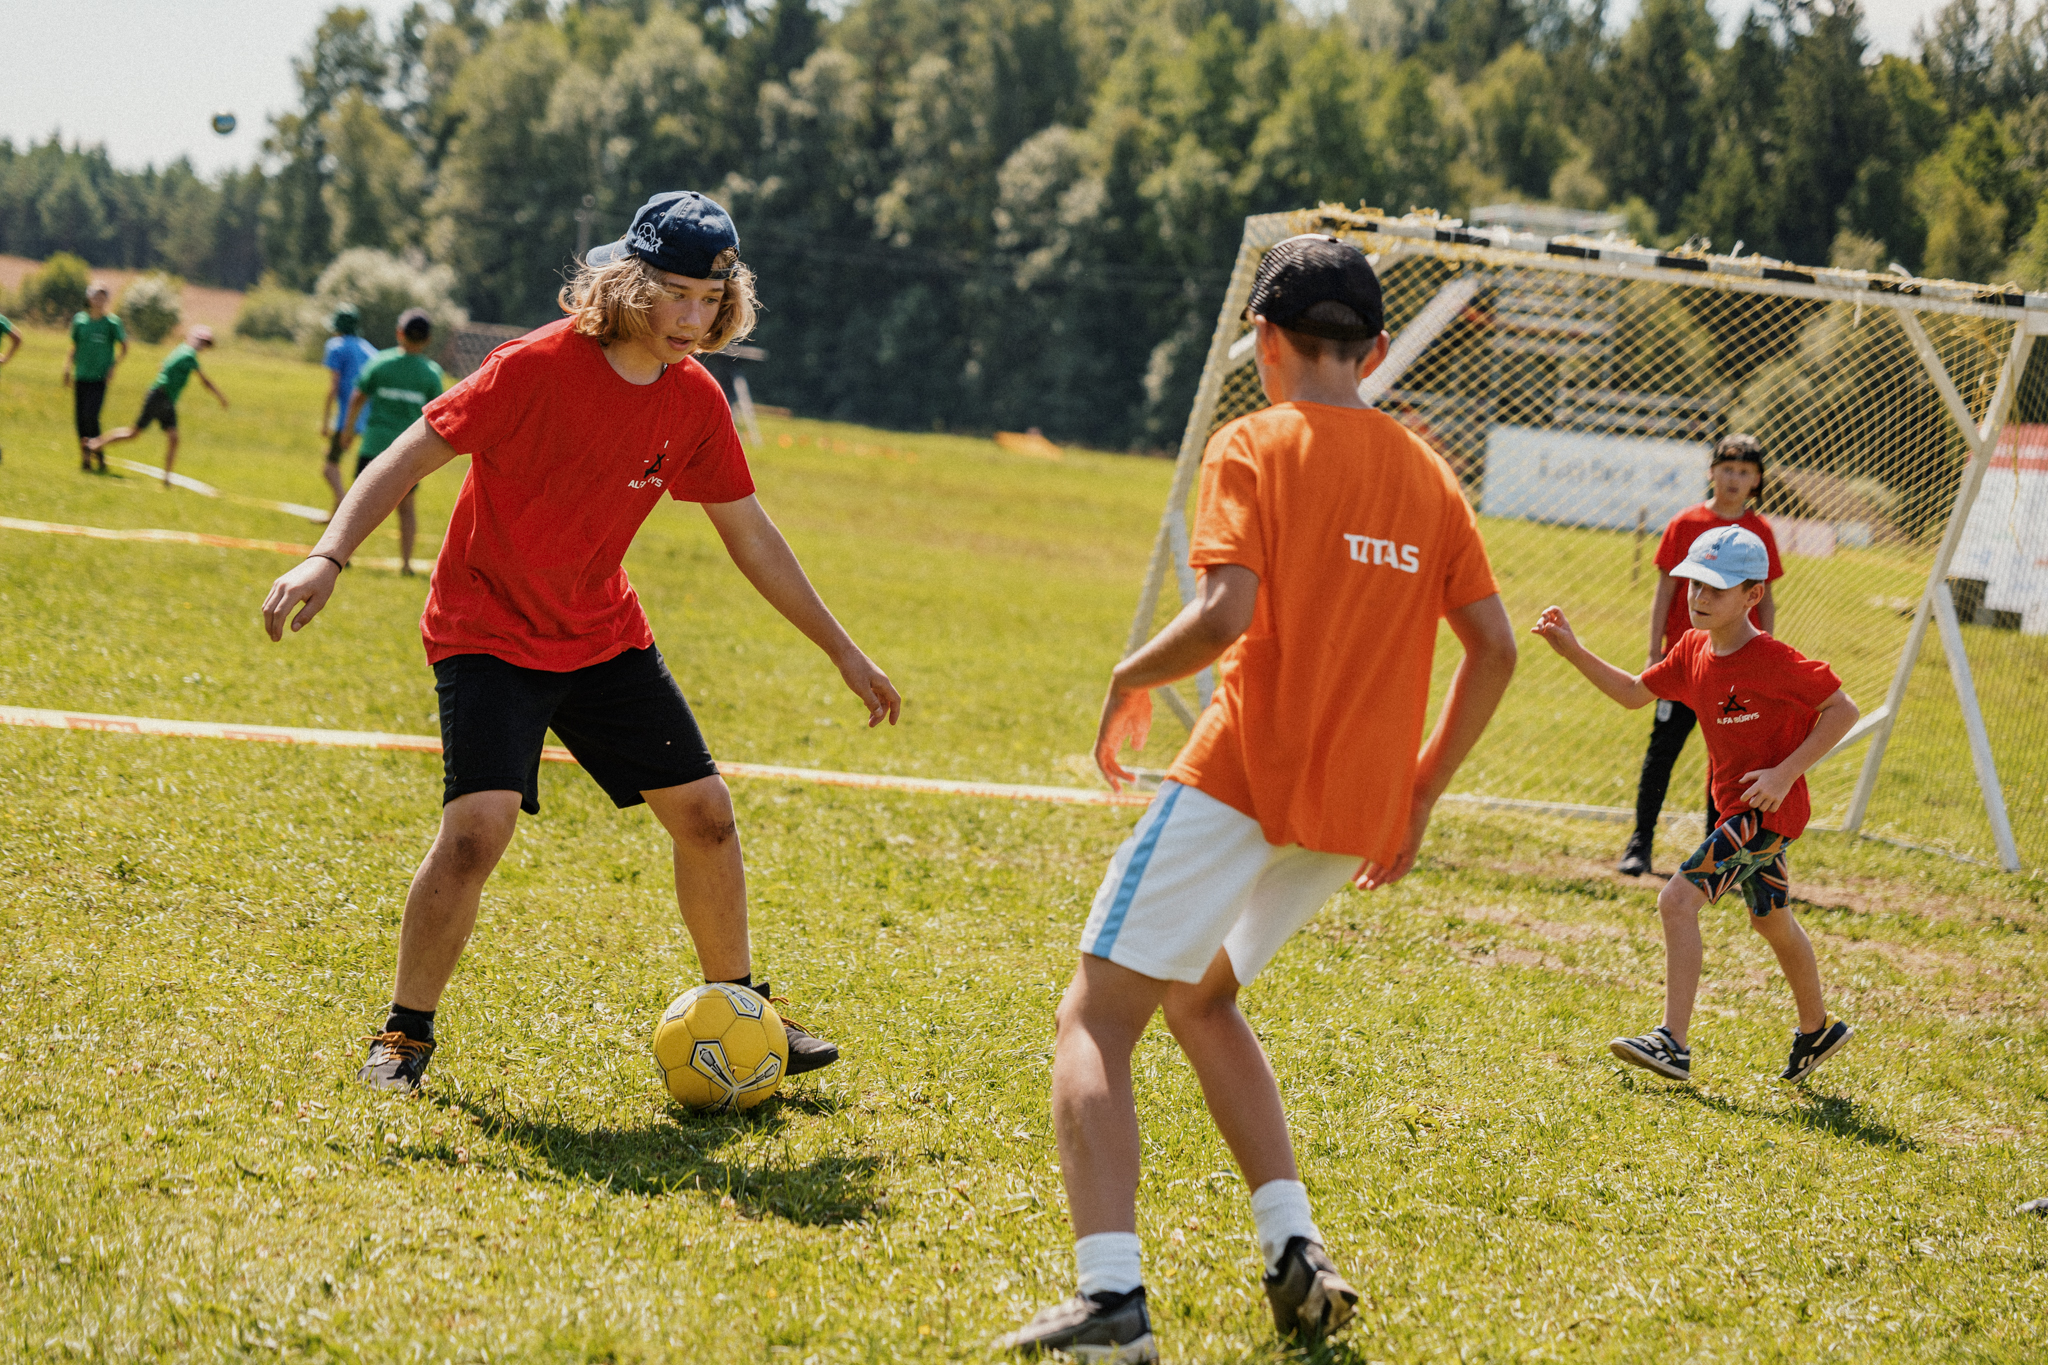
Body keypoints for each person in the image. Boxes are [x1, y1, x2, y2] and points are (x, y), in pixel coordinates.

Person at [996, 236, 1517, 1362]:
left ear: (1266, 345)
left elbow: (1226, 614)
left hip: (1244, 775)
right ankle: (1294, 1255)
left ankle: (1109, 1302)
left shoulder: (1253, 440)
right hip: (1350, 814)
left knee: (1095, 1016)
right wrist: (1418, 794)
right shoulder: (1427, 471)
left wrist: (1127, 675)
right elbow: (1492, 649)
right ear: (1373, 349)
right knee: (1203, 1001)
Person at [259, 190, 899, 1096]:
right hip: (485, 628)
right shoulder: (533, 368)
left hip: (600, 634)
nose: (690, 317)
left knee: (708, 815)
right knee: (476, 834)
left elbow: (750, 533)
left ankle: (746, 1012)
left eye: (708, 300)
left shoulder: (695, 401)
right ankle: (404, 1035)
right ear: (630, 283)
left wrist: (842, 649)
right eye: (673, 293)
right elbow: (407, 452)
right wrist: (330, 553)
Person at [1532, 524, 1858, 1085]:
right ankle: (1818, 1029)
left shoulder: (1774, 660)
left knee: (1677, 902)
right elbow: (1635, 694)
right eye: (1693, 585)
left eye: (1717, 589)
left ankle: (1672, 1042)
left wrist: (1784, 774)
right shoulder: (1691, 649)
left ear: (1753, 596)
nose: (1699, 598)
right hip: (1740, 812)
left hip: (1765, 812)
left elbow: (1843, 710)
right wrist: (1573, 650)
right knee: (1772, 922)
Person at [1619, 434, 1783, 877]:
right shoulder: (1685, 522)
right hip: (1683, 665)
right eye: (1727, 468)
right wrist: (1655, 650)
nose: (1734, 478)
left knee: (1727, 764)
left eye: (1745, 471)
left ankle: (1719, 854)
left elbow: (1764, 600)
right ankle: (1640, 844)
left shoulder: (1760, 533)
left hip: (1732, 671)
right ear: (1711, 471)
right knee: (1662, 754)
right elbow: (1665, 589)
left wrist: (1762, 659)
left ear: (1757, 481)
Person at [332, 308, 447, 575]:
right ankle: (406, 563)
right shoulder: (431, 373)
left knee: (358, 503)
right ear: (428, 340)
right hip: (410, 451)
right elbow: (438, 411)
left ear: (399, 333)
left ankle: (342, 557)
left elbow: (357, 397)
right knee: (406, 508)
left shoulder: (380, 363)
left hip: (374, 445)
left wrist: (348, 429)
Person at [87, 326, 227, 484]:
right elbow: (205, 381)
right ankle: (94, 445)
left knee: (169, 438)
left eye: (206, 344)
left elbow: (162, 366)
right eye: (201, 341)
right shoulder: (189, 355)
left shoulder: (180, 350)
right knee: (134, 433)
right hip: (160, 397)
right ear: (192, 338)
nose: (202, 345)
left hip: (165, 398)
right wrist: (221, 397)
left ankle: (166, 479)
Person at [321, 304, 379, 514]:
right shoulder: (370, 350)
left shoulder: (336, 346)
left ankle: (342, 509)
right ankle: (334, 512)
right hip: (368, 417)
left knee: (329, 468)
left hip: (346, 417)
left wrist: (326, 421)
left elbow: (333, 388)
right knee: (335, 459)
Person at [65, 284, 128, 471]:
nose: (98, 301)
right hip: (81, 375)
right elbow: (74, 345)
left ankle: (98, 454)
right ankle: (85, 458)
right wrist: (67, 367)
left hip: (99, 378)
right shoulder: (80, 320)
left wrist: (113, 367)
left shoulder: (112, 323)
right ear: (89, 299)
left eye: (102, 297)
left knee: (92, 416)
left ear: (106, 300)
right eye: (95, 296)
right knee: (80, 419)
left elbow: (124, 347)